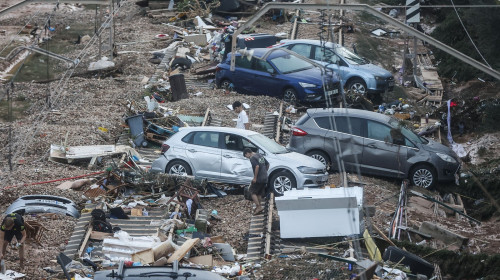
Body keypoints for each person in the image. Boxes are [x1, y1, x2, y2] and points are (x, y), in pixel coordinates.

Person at [244, 148, 269, 215]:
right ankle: (259, 207)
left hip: (259, 178)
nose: (247, 158)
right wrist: (264, 172)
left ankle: (258, 207)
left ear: (247, 153)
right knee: (259, 193)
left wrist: (255, 178)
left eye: (246, 156)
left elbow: (257, 166)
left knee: (251, 191)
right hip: (265, 177)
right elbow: (267, 164)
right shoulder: (259, 155)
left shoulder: (252, 158)